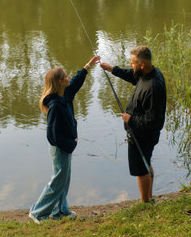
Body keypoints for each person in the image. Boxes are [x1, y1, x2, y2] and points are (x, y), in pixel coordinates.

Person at [29, 55, 100, 224]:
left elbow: (76, 82)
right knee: (57, 181)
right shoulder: (54, 105)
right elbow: (52, 136)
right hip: (60, 147)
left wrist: (88, 66)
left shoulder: (65, 95)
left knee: (64, 180)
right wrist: (70, 144)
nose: (68, 77)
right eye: (65, 76)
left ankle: (59, 211)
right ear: (59, 82)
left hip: (66, 146)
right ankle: (37, 212)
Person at [100, 46, 166, 203]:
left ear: (142, 64)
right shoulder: (147, 73)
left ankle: (145, 203)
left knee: (141, 169)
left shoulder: (153, 87)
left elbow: (154, 121)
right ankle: (149, 197)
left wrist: (131, 120)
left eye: (133, 63)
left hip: (143, 135)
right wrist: (112, 69)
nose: (131, 65)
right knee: (146, 161)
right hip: (140, 132)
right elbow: (132, 75)